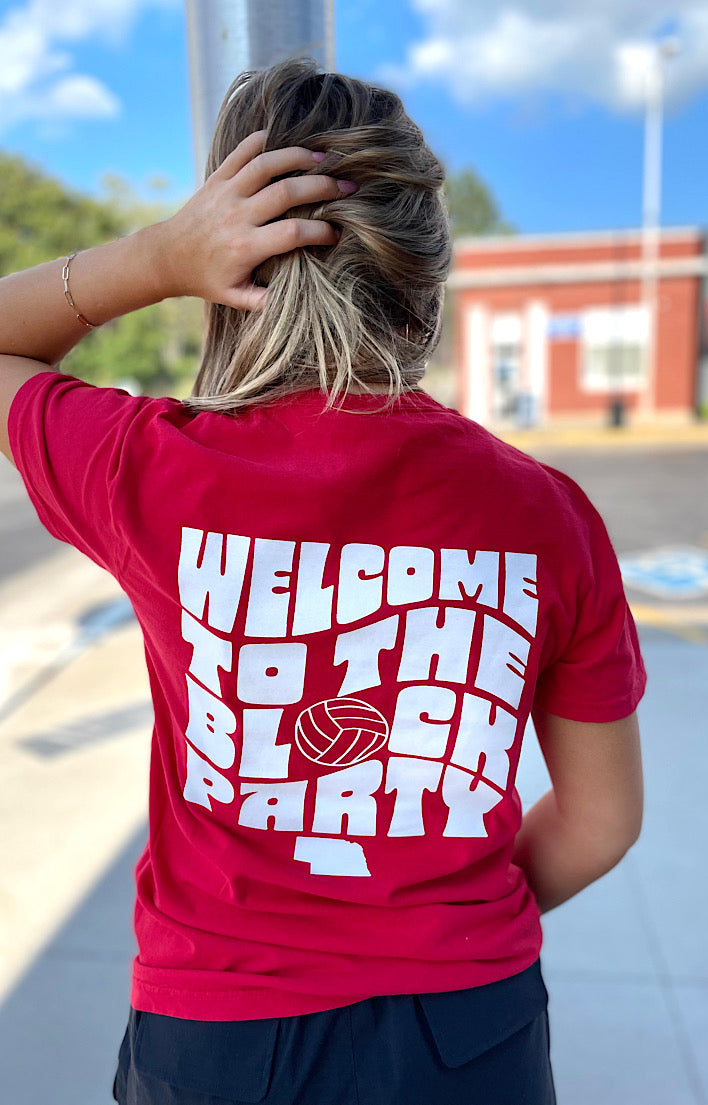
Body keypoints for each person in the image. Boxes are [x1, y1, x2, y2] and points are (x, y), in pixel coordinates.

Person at [0, 57, 645, 1105]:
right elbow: (602, 823)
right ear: (424, 270)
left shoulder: (150, 468)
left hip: (216, 1034)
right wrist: (443, 924)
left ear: (227, 262)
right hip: (470, 1031)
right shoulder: (549, 515)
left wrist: (153, 259)